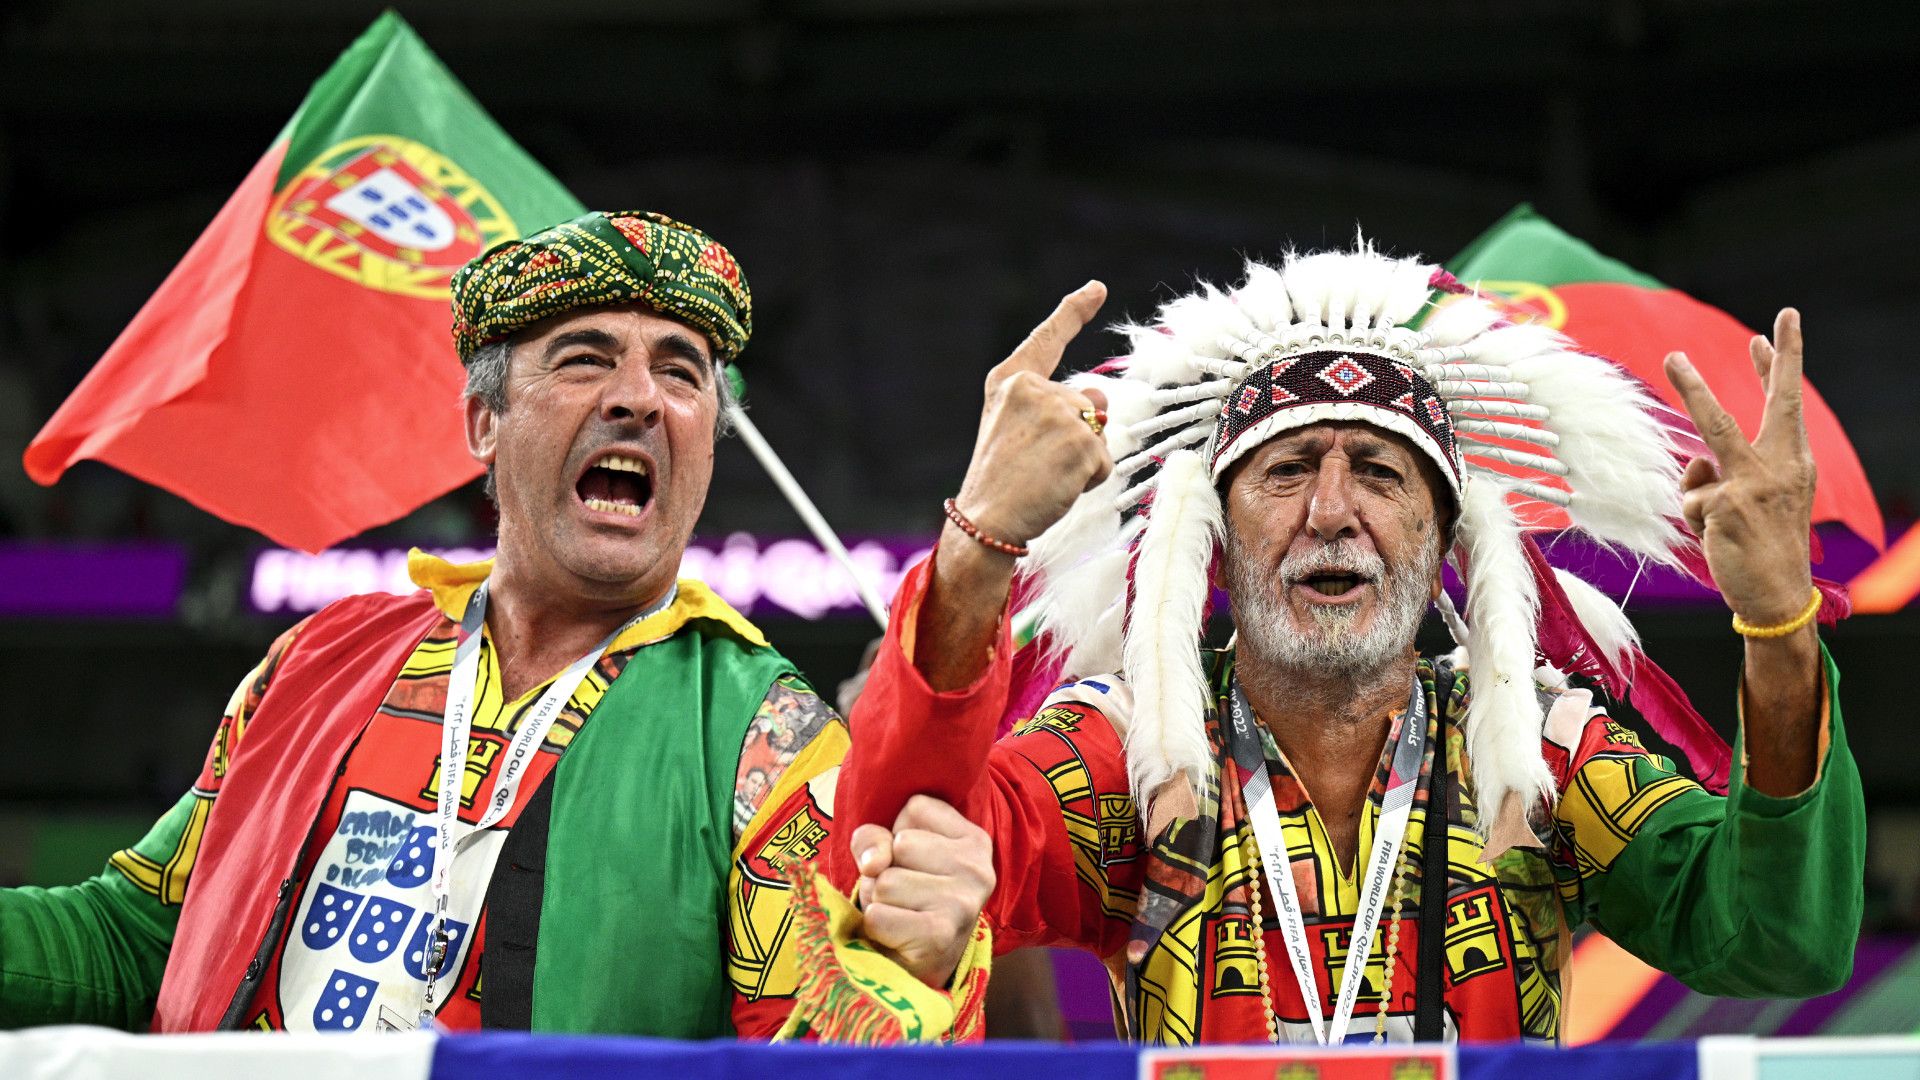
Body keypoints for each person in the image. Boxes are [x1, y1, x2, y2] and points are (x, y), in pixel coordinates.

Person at [832, 247, 1865, 1043]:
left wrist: (1777, 629)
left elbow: (1781, 936)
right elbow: (893, 850)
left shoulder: (1536, 750)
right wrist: (979, 545)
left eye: (1378, 471)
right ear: (1218, 546)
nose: (1331, 510)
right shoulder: (1130, 749)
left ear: (1440, 537)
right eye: (1285, 472)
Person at [0, 210, 992, 1039]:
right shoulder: (317, 661)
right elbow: (144, 936)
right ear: (483, 423)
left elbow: (820, 1044)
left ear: (706, 449)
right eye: (585, 358)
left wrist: (924, 965)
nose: (639, 400)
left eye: (683, 373)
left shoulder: (762, 741)